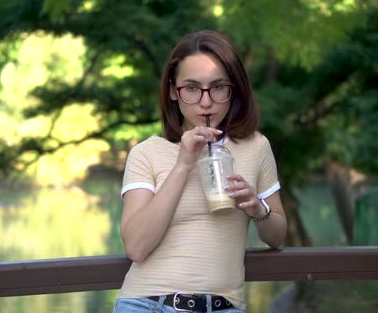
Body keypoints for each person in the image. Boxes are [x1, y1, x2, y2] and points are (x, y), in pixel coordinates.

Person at [113, 30, 287, 313]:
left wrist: (257, 208)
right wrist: (183, 164)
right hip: (147, 304)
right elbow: (136, 246)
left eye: (218, 87)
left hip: (224, 306)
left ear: (234, 89)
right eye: (192, 88)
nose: (206, 102)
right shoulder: (146, 153)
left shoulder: (255, 146)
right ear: (172, 90)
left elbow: (278, 236)